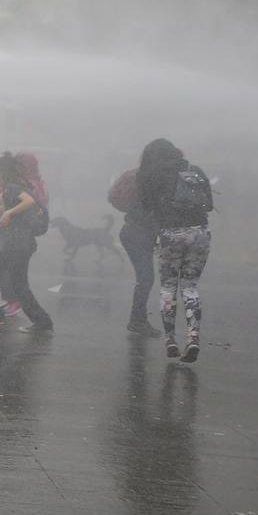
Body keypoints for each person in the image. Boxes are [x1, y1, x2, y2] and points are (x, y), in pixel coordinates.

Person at [138, 139, 213, 361]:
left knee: (168, 287)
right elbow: (208, 204)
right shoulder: (194, 170)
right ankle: (193, 339)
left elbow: (146, 208)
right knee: (190, 287)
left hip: (170, 234)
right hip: (199, 233)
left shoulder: (152, 175)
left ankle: (170, 339)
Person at [0, 152, 53, 333]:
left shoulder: (12, 187)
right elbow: (5, 205)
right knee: (19, 284)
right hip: (21, 243)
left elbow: (28, 202)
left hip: (16, 243)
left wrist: (8, 213)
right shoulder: (14, 187)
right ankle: (42, 322)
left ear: (0, 172)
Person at [109, 160, 159, 336]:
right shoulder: (154, 180)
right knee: (146, 278)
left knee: (145, 278)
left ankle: (138, 319)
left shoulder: (136, 176)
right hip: (140, 233)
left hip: (131, 231)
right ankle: (137, 320)